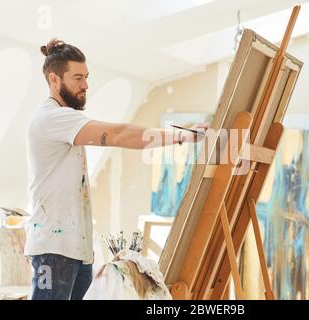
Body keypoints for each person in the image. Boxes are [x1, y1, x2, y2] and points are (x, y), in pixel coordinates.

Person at [25, 38, 208, 300]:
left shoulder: (65, 120)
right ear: (54, 80)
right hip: (54, 249)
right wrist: (182, 136)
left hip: (76, 247)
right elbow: (119, 135)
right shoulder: (52, 118)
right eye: (77, 78)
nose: (85, 85)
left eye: (86, 77)